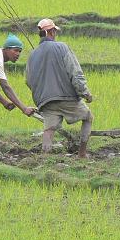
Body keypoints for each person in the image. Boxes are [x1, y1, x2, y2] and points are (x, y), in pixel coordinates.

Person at [25, 18, 94, 157]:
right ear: (51, 32)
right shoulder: (62, 47)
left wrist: (42, 94)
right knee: (88, 117)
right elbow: (75, 72)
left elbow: (28, 81)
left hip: (45, 101)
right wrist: (85, 93)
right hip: (66, 98)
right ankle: (82, 154)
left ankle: (44, 159)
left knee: (49, 129)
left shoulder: (32, 54)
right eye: (54, 31)